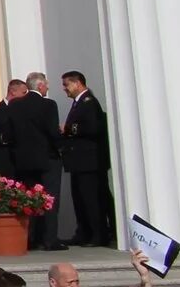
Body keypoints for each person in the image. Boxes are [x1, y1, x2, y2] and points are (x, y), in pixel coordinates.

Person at [7, 74, 66, 251]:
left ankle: (30, 238)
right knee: (49, 199)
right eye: (46, 85)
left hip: (24, 160)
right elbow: (52, 132)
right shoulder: (48, 104)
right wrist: (62, 147)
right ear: (40, 86)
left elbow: (11, 132)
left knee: (29, 200)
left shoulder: (15, 105)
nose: (47, 88)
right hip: (47, 158)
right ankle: (49, 239)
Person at [58, 71, 114, 249]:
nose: (65, 89)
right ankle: (83, 232)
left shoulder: (89, 102)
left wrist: (67, 128)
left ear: (77, 83)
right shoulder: (79, 103)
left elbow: (92, 127)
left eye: (67, 84)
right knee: (80, 199)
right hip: (79, 162)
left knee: (92, 199)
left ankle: (98, 235)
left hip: (89, 162)